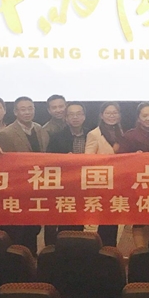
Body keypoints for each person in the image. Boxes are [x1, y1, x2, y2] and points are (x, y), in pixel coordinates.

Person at [0, 96, 49, 255]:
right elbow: (6, 164)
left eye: (30, 108)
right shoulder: (6, 133)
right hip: (17, 187)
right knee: (17, 229)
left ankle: (31, 258)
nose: (27, 112)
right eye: (23, 109)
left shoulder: (40, 129)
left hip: (36, 185)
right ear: (15, 112)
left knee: (33, 227)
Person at [118, 101, 149, 248]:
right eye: (145, 116)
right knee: (138, 219)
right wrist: (134, 157)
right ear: (138, 118)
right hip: (135, 184)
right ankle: (140, 251)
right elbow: (120, 160)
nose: (148, 118)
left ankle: (148, 249)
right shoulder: (129, 136)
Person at [45, 101, 88, 244]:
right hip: (63, 185)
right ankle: (53, 249)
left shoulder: (91, 134)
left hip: (84, 185)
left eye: (79, 114)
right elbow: (48, 160)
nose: (75, 117)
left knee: (79, 220)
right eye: (71, 114)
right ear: (66, 118)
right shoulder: (57, 137)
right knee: (59, 221)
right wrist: (64, 160)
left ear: (84, 116)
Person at [85, 102, 124, 246]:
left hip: (117, 183)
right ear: (101, 115)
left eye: (114, 113)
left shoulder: (122, 133)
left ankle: (111, 249)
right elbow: (87, 159)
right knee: (101, 220)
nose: (111, 116)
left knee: (114, 219)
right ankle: (99, 249)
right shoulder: (94, 134)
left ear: (119, 115)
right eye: (108, 113)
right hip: (100, 182)